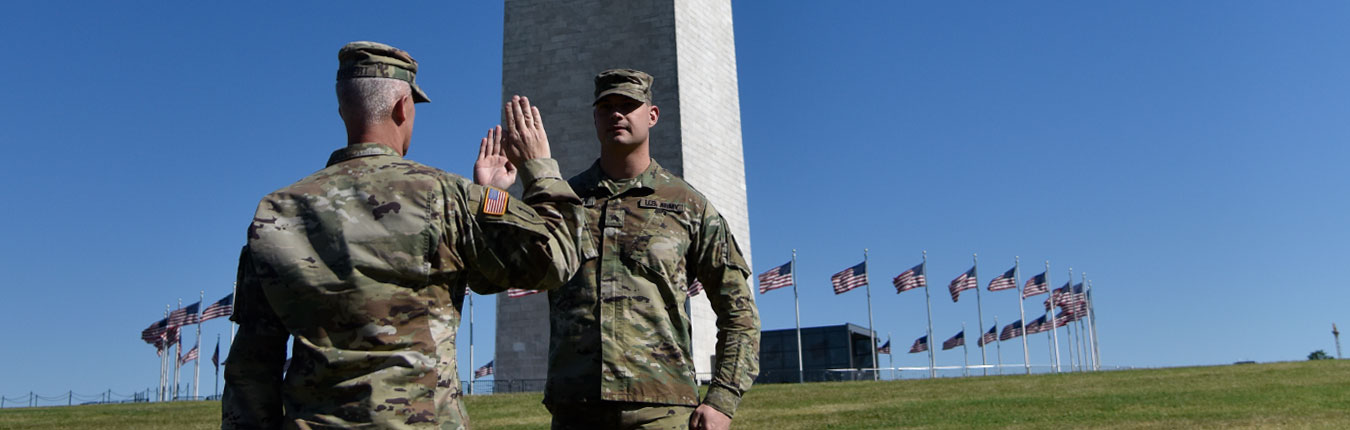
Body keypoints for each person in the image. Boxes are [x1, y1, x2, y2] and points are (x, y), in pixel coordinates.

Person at [222, 41, 586, 430]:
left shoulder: (276, 211)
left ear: (343, 108)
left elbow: (252, 367)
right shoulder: (448, 195)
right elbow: (556, 258)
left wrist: (486, 196)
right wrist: (538, 169)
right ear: (403, 108)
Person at [503, 70, 760, 430]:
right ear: (594, 117)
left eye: (628, 105)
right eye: (606, 106)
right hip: (575, 409)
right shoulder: (564, 201)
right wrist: (496, 195)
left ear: (652, 115)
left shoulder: (690, 206)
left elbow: (740, 313)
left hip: (661, 410)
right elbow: (513, 268)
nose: (616, 114)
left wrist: (722, 399)